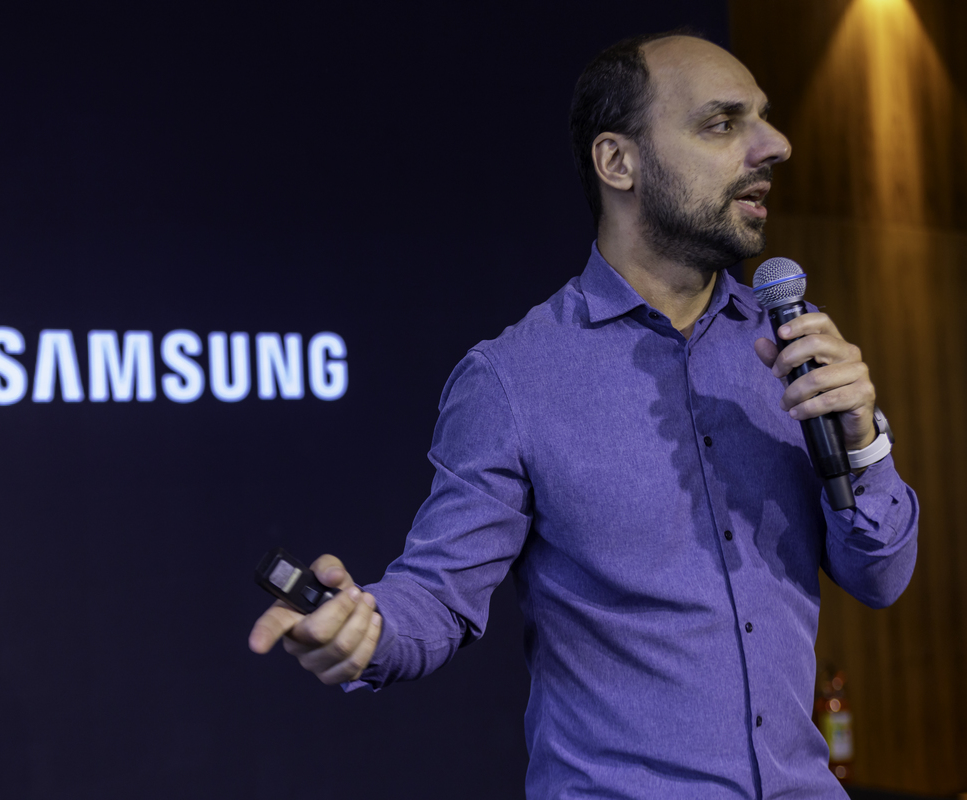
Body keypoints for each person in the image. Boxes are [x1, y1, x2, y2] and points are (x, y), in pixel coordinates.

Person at [248, 31, 918, 800]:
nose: (776, 145)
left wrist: (862, 443)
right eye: (723, 123)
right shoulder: (514, 378)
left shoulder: (792, 344)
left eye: (763, 118)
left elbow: (880, 575)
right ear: (617, 162)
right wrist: (360, 628)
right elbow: (435, 597)